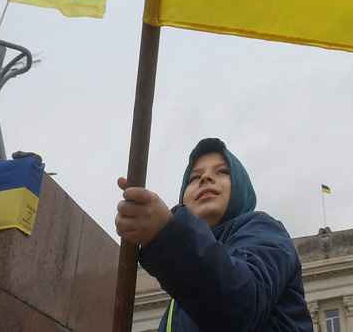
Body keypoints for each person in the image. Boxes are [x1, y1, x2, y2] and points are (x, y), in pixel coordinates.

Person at [116, 137, 313, 332]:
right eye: (194, 177)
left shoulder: (265, 229)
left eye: (222, 171)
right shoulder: (181, 293)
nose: (205, 178)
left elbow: (241, 305)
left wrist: (166, 231)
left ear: (241, 186)